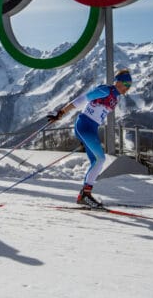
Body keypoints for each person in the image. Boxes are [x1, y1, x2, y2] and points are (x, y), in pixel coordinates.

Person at [46, 68, 133, 208]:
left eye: (130, 85)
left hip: (92, 128)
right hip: (84, 125)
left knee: (95, 161)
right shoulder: (106, 90)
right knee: (101, 159)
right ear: (118, 83)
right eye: (127, 84)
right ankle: (85, 195)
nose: (128, 88)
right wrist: (61, 112)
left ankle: (85, 195)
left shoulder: (115, 97)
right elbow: (81, 99)